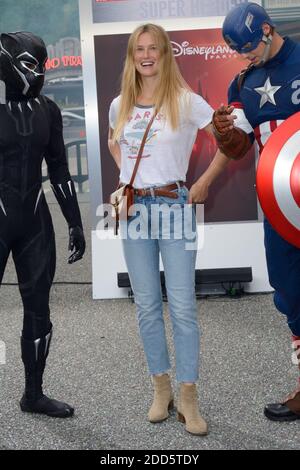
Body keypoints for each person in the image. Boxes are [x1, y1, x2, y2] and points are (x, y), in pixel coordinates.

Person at [108, 23, 229, 435]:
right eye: (138, 49)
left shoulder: (186, 101)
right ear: (131, 56)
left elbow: (228, 143)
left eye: (153, 49)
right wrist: (126, 181)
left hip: (175, 208)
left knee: (182, 309)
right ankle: (161, 390)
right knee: (146, 306)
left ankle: (189, 400)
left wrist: (204, 182)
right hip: (135, 212)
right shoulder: (119, 104)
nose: (146, 56)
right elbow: (115, 143)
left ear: (165, 53)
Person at [206, 2, 300, 421]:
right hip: (280, 204)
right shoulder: (243, 82)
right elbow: (239, 145)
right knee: (289, 291)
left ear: (266, 29)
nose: (245, 56)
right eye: (238, 50)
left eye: (248, 47)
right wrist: (225, 136)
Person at [0, 32, 86, 417]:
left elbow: (60, 168)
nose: (39, 74)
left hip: (35, 219)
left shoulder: (47, 109)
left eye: (42, 65)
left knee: (39, 310)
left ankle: (33, 393)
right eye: (31, 65)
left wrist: (75, 222)